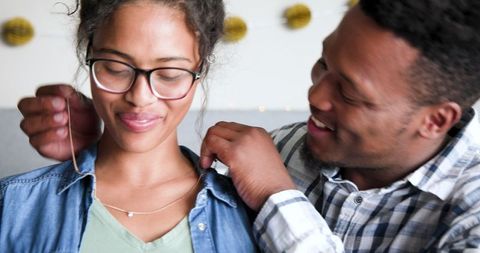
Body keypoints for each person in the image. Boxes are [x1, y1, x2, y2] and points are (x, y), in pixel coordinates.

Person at [16, 0, 480, 252]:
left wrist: (279, 198)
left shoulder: (471, 215)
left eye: (350, 94)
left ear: (435, 120)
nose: (314, 96)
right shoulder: (271, 153)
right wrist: (111, 137)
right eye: (322, 64)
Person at [1, 0, 258, 252]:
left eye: (169, 74)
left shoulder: (253, 212)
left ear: (200, 69)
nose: (140, 97)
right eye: (115, 68)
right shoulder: (13, 204)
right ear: (89, 55)